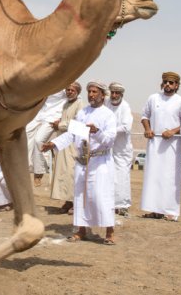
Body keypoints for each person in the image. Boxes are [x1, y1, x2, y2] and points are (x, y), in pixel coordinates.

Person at [43, 80, 117, 244]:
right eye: (89, 92)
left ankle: (110, 232)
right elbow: (72, 134)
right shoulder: (83, 113)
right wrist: (53, 144)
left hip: (100, 161)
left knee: (100, 196)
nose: (91, 95)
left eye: (94, 92)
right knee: (81, 196)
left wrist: (96, 132)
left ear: (102, 95)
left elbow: (110, 141)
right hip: (82, 160)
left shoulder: (109, 115)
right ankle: (81, 230)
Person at [140, 72, 181, 221]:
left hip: (172, 145)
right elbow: (144, 116)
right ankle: (154, 210)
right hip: (154, 143)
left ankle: (171, 211)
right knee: (153, 175)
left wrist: (173, 131)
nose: (168, 85)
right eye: (165, 82)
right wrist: (147, 129)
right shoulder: (153, 98)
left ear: (176, 85)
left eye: (171, 82)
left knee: (169, 177)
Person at [49, 82, 83, 214]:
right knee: (63, 172)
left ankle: (76, 203)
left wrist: (61, 125)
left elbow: (78, 123)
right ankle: (68, 201)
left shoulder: (80, 104)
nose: (69, 92)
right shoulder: (65, 104)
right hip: (63, 142)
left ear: (77, 92)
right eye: (67, 90)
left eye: (71, 90)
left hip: (72, 143)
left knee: (71, 171)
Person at [26, 89, 67, 187]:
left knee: (38, 140)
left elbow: (74, 96)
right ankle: (27, 167)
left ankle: (39, 172)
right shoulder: (47, 79)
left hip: (53, 117)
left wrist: (63, 118)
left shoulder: (66, 82)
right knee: (25, 133)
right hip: (40, 113)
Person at [106, 81, 134, 216]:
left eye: (117, 93)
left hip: (122, 149)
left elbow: (126, 127)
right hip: (108, 147)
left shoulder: (125, 107)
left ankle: (123, 205)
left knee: (122, 176)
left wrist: (109, 131)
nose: (114, 95)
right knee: (109, 176)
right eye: (112, 92)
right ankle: (111, 204)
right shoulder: (106, 103)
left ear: (121, 94)